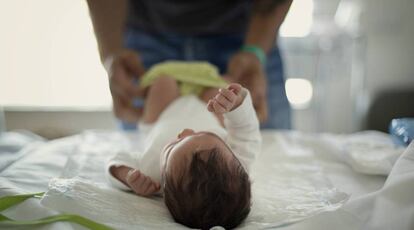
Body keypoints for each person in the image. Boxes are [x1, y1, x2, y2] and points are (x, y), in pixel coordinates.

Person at [86, 0, 293, 130]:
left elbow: (129, 161)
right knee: (235, 106)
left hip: (248, 29)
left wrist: (255, 50)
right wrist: (112, 52)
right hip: (147, 31)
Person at [106, 66, 261, 229]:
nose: (186, 131)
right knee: (223, 88)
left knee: (163, 82)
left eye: (174, 146)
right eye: (206, 134)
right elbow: (246, 131)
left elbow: (116, 159)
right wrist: (236, 104)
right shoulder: (236, 164)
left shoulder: (152, 176)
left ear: (165, 190)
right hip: (209, 109)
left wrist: (127, 177)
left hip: (162, 115)